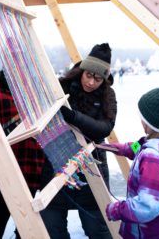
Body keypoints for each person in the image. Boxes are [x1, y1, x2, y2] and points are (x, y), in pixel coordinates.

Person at [40, 43, 117, 239]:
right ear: (82, 71)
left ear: (105, 79)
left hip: (91, 169)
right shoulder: (61, 87)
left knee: (97, 229)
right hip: (57, 164)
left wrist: (73, 117)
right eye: (88, 75)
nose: (91, 82)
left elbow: (105, 127)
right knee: (52, 227)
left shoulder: (108, 95)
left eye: (98, 79)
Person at [102, 84, 159, 239]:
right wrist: (121, 148)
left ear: (151, 123)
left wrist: (116, 209)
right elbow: (141, 146)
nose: (141, 121)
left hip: (152, 233)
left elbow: (147, 206)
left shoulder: (154, 159)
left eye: (143, 118)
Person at [0, 70, 45, 239]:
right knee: (3, 205)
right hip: (3, 157)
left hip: (32, 156)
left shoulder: (35, 89)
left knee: (28, 207)